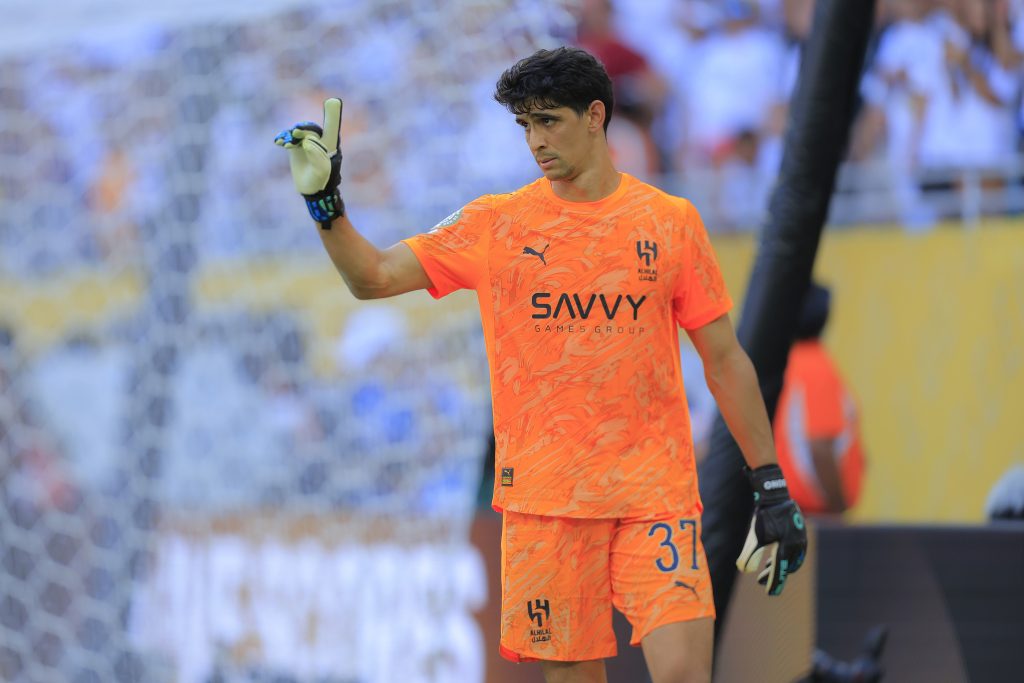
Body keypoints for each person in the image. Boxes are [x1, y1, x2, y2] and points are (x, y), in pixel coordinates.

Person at [274, 46, 806, 683]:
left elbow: (724, 360)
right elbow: (374, 277)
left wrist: (769, 483)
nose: (536, 141)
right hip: (544, 506)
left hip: (653, 495)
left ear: (596, 116)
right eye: (525, 125)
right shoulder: (494, 224)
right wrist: (326, 203)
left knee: (685, 675)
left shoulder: (670, 222)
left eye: (549, 121)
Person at [774, 282, 865, 515]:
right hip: (813, 513)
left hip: (788, 510)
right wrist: (837, 507)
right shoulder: (815, 367)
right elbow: (820, 447)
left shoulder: (784, 361)